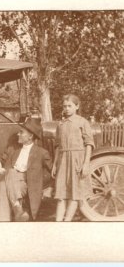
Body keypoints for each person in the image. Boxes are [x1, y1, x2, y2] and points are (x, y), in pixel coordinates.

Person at [51, 94, 95, 222]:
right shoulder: (60, 124)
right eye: (64, 106)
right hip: (63, 161)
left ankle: (67, 222)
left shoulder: (82, 122)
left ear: (77, 106)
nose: (67, 108)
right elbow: (58, 146)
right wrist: (55, 164)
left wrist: (86, 164)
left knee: (75, 194)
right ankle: (58, 223)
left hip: (77, 160)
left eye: (70, 106)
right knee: (61, 195)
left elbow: (89, 144)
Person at [3, 118, 52, 221]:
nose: (18, 134)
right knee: (9, 176)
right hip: (13, 181)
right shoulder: (15, 151)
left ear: (30, 136)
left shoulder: (41, 152)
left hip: (27, 182)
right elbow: (5, 169)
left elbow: (51, 171)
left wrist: (46, 186)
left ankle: (12, 214)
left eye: (21, 132)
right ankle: (18, 211)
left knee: (7, 182)